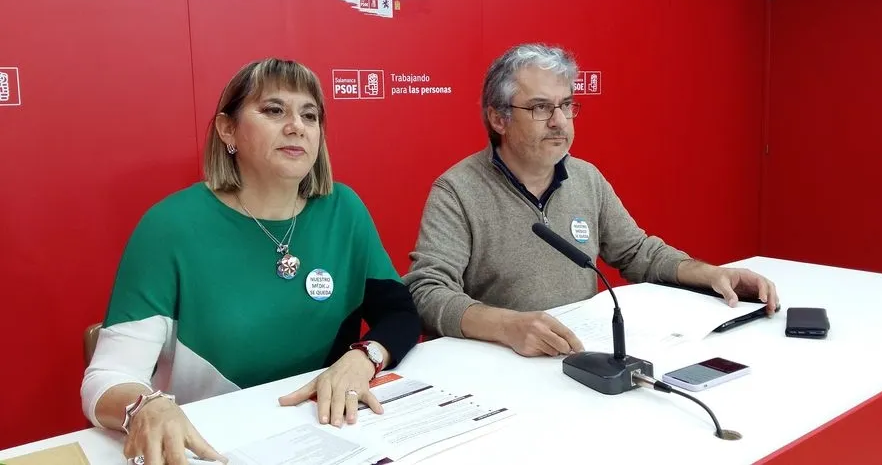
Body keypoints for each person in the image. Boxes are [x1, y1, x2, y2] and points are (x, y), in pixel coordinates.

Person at [81, 58, 421, 465]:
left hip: (328, 437)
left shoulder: (343, 210)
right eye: (274, 110)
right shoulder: (169, 227)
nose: (296, 126)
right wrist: (145, 408)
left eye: (309, 115)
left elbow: (400, 314)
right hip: (211, 447)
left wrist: (363, 358)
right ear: (228, 130)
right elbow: (107, 378)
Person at [403, 43, 779, 357]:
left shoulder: (586, 178)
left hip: (576, 357)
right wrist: (507, 326)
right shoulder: (457, 190)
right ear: (499, 119)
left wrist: (712, 275)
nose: (559, 121)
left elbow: (638, 254)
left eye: (566, 105)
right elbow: (426, 293)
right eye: (540, 108)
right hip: (499, 363)